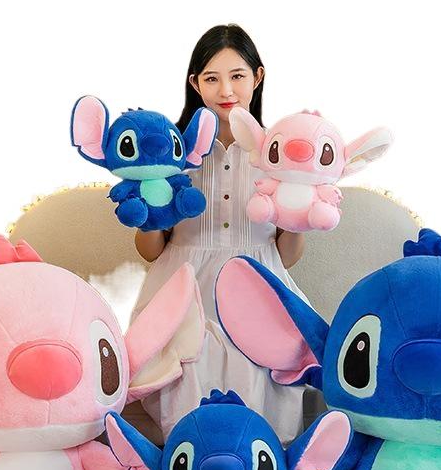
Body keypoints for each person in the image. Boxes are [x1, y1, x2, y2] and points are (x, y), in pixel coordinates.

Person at [130, 24, 308, 443]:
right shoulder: (173, 151)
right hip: (183, 283)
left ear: (257, 77)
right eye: (211, 78)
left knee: (261, 356)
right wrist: (148, 211)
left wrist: (299, 213)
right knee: (189, 356)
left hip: (259, 280)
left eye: (237, 76)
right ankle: (182, 460)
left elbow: (287, 256)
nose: (226, 90)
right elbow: (150, 251)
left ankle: (258, 461)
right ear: (195, 83)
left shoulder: (278, 152)